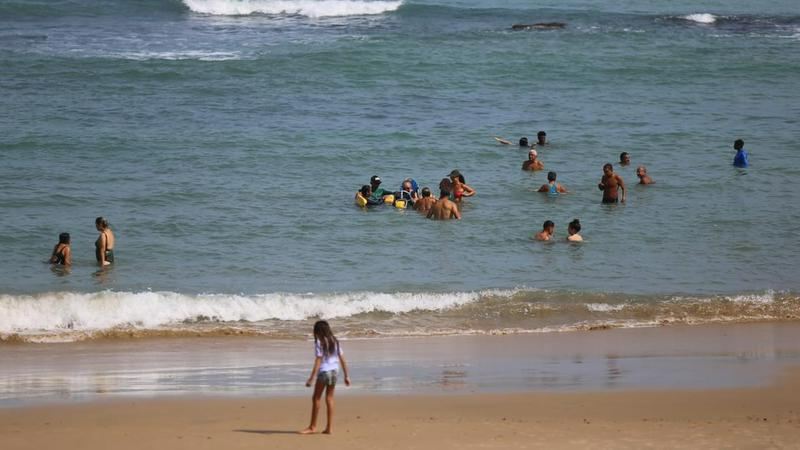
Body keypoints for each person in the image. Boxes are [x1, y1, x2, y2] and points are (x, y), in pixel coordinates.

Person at [299, 320, 351, 435]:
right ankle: (329, 428)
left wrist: (311, 378)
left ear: (318, 331)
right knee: (329, 398)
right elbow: (342, 359)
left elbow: (318, 361)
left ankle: (312, 427)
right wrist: (346, 375)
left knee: (316, 398)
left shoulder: (319, 342)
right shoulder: (334, 340)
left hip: (324, 372)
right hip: (334, 371)